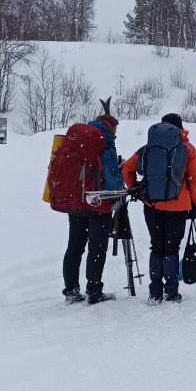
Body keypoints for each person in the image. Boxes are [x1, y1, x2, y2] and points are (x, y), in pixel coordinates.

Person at [122, 113, 196, 305]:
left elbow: (126, 169)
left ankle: (155, 292)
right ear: (180, 128)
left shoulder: (148, 148)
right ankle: (172, 292)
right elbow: (194, 179)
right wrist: (194, 204)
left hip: (152, 205)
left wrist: (136, 189)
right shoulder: (187, 149)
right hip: (179, 207)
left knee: (156, 247)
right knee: (171, 249)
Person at [61, 113, 123, 304]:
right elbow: (114, 183)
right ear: (111, 127)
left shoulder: (78, 141)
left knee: (74, 247)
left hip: (75, 203)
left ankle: (71, 291)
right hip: (98, 204)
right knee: (96, 249)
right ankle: (94, 291)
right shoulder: (103, 145)